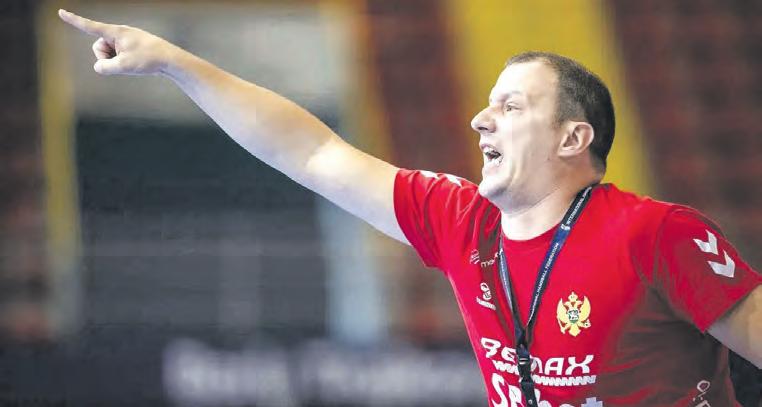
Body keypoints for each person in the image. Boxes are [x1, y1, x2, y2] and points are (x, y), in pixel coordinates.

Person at [58, 9, 761, 407]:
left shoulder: (657, 234)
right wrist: (178, 63)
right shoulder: (461, 222)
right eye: (486, 104)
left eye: (512, 106)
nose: (481, 119)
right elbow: (311, 151)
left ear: (573, 138)